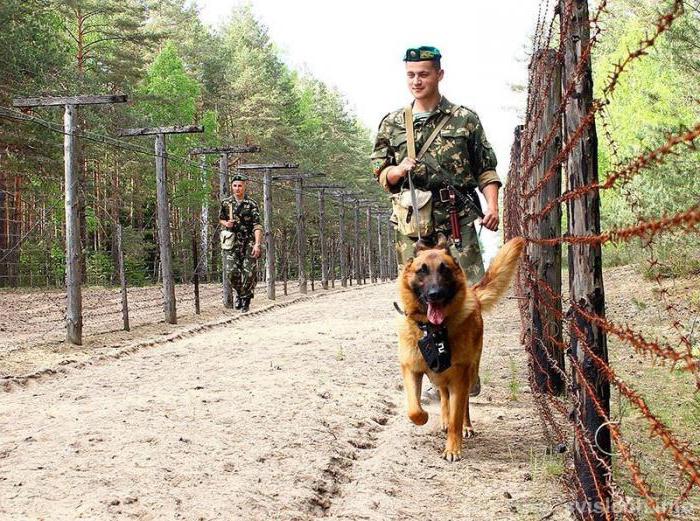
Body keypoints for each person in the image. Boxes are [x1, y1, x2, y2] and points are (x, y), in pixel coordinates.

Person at [371, 46, 502, 396]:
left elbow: (486, 168)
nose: (417, 80)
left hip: (455, 221)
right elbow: (379, 172)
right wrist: (396, 171)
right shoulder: (393, 123)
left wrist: (492, 205)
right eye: (411, 74)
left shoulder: (465, 119)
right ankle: (437, 373)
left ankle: (466, 370)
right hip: (414, 229)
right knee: (421, 300)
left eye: (424, 73)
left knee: (468, 300)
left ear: (439, 75)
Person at [219, 173, 263, 312]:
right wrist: (227, 223)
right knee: (231, 271)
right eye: (235, 186)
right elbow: (221, 218)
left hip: (248, 240)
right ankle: (240, 293)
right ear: (232, 187)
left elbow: (257, 225)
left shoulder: (251, 204)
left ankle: (246, 300)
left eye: (240, 186)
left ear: (244, 187)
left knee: (249, 272)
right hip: (232, 241)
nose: (237, 188)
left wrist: (257, 244)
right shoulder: (226, 203)